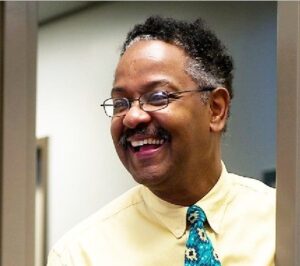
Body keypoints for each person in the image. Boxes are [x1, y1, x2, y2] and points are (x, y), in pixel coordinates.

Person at [47, 16, 275, 266]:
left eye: (157, 97)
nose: (132, 117)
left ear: (215, 109)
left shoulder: (281, 223)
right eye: (120, 103)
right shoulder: (81, 254)